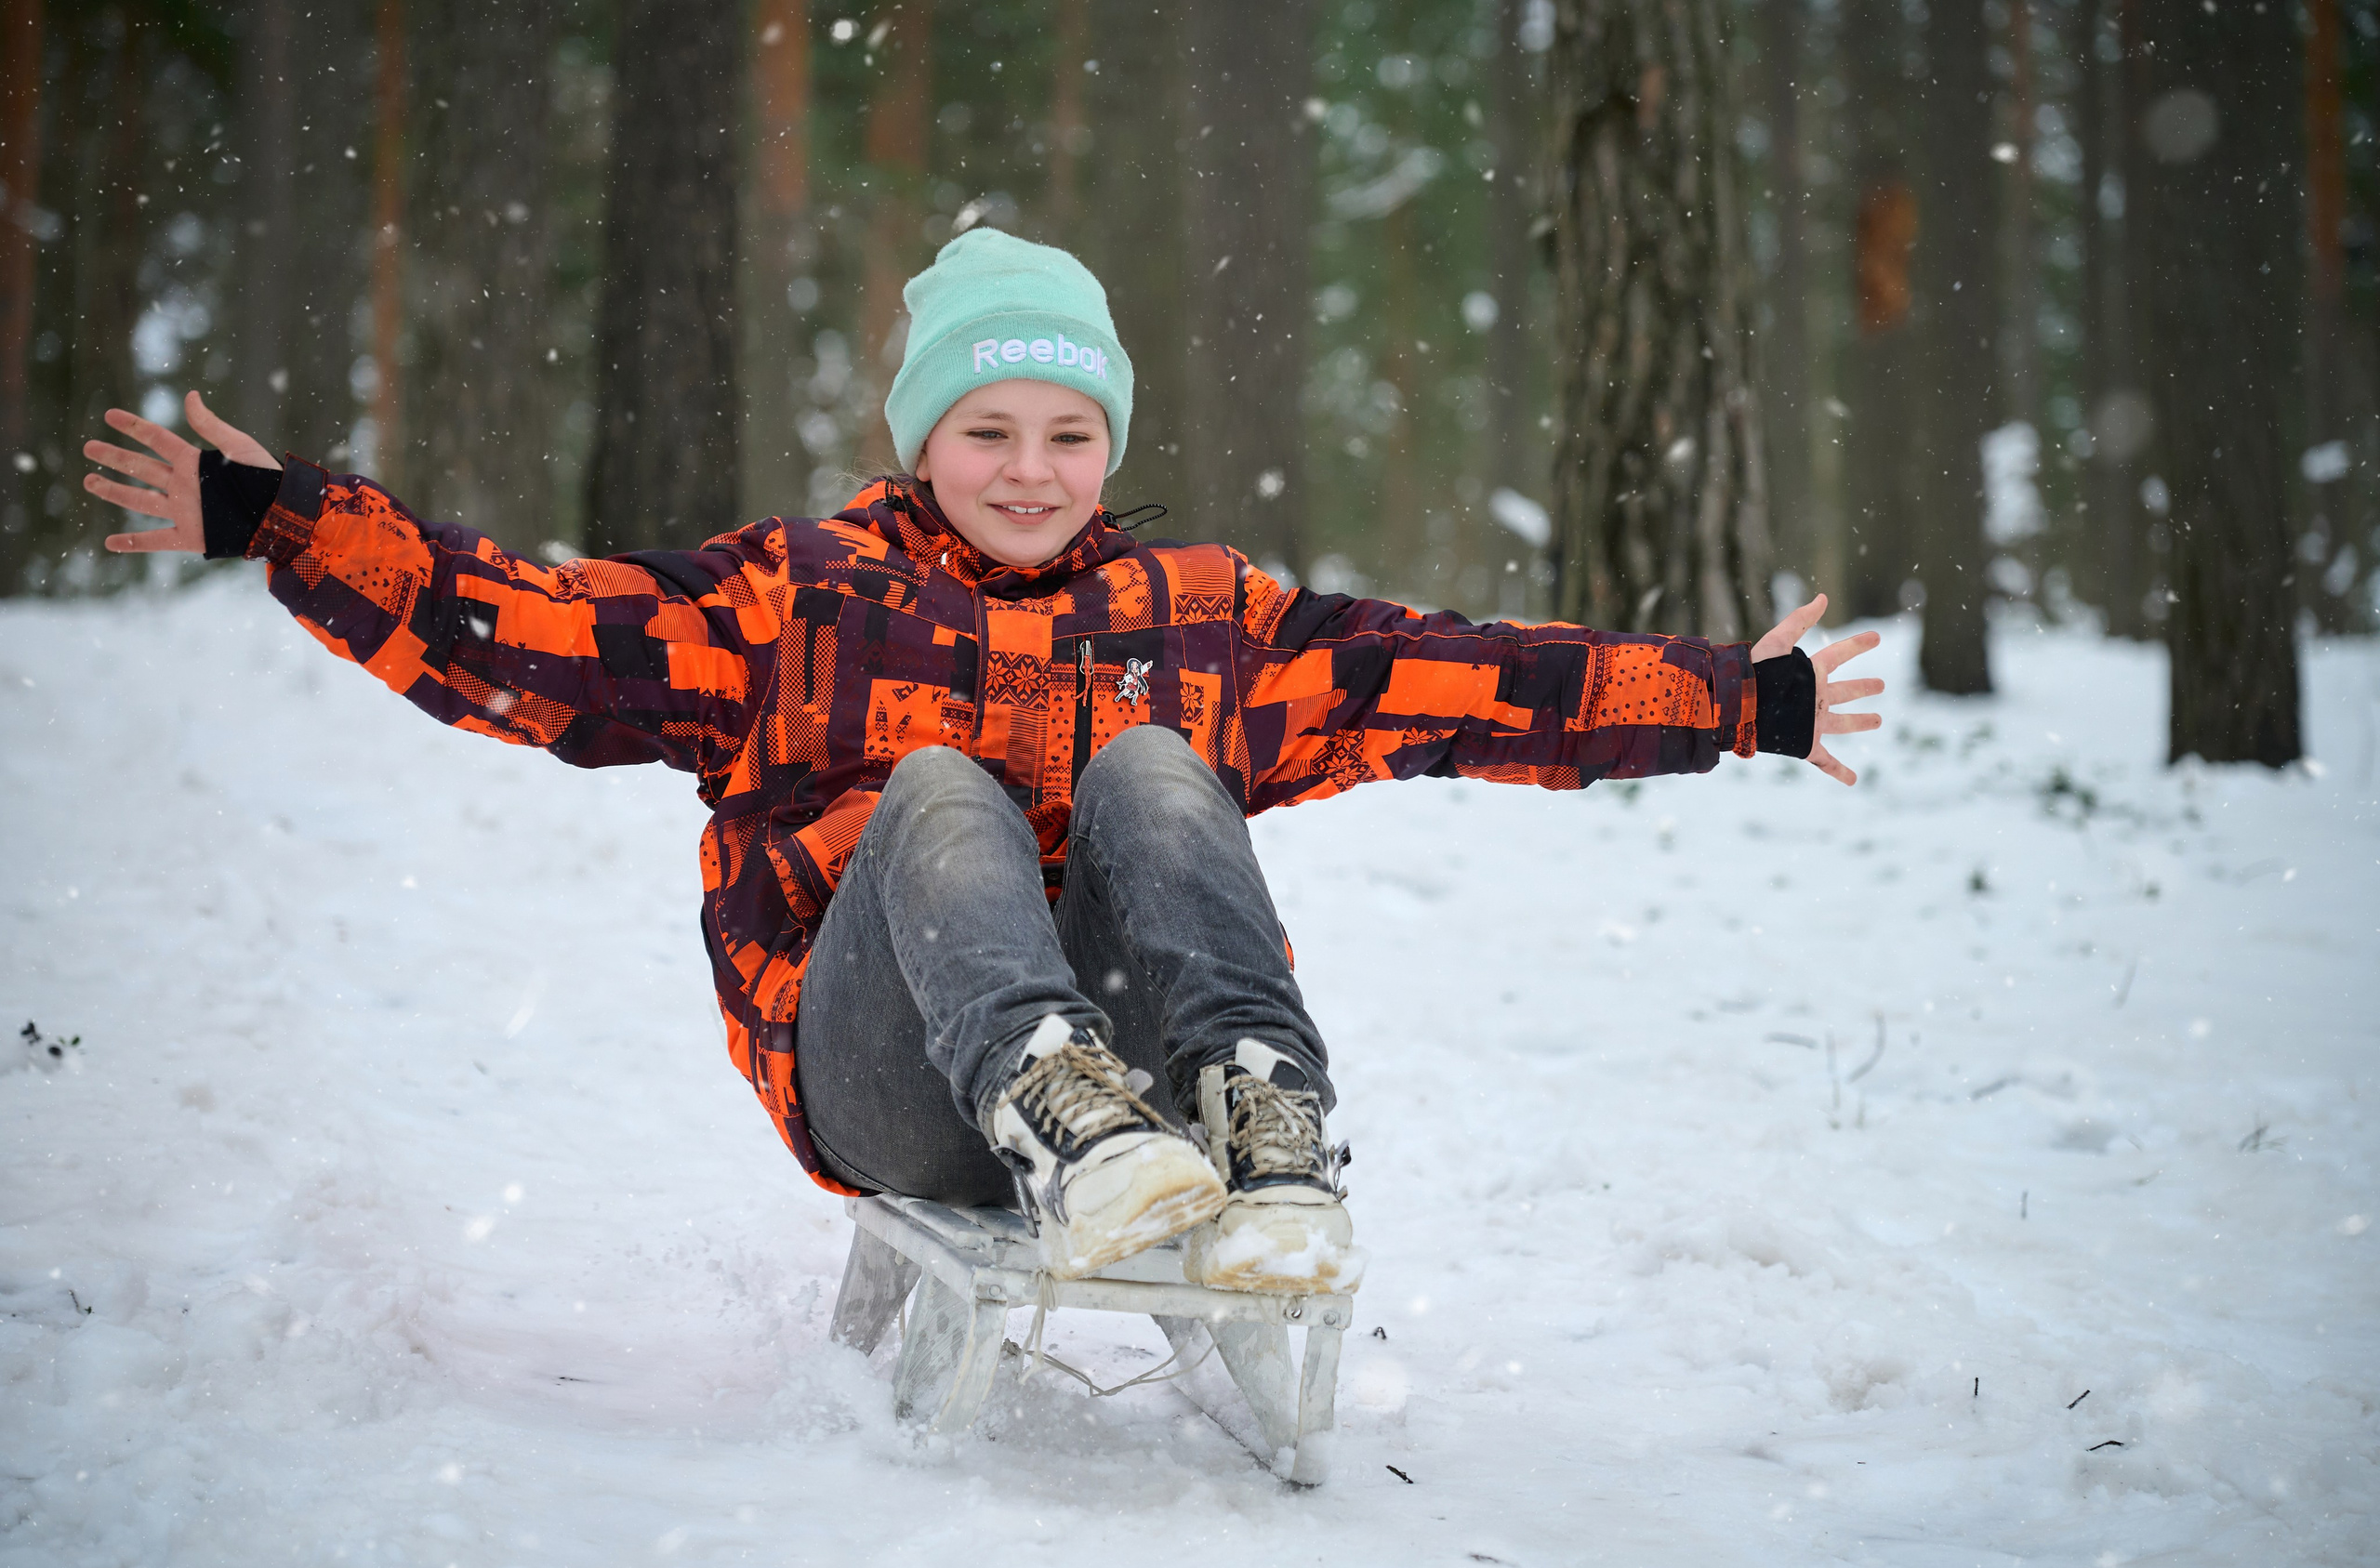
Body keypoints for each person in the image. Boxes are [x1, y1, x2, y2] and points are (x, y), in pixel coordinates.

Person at [82, 228, 1883, 1298]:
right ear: (921, 439)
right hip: (884, 1081)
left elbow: (1456, 682)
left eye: (1068, 432)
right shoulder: (798, 599)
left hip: (1150, 1100)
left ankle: (1259, 1117)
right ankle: (1050, 1097)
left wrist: (1744, 697)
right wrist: (292, 525)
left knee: (1163, 772)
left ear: (1111, 441)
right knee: (937, 788)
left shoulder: (1196, 617)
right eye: (988, 430)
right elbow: (540, 639)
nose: (1031, 468)